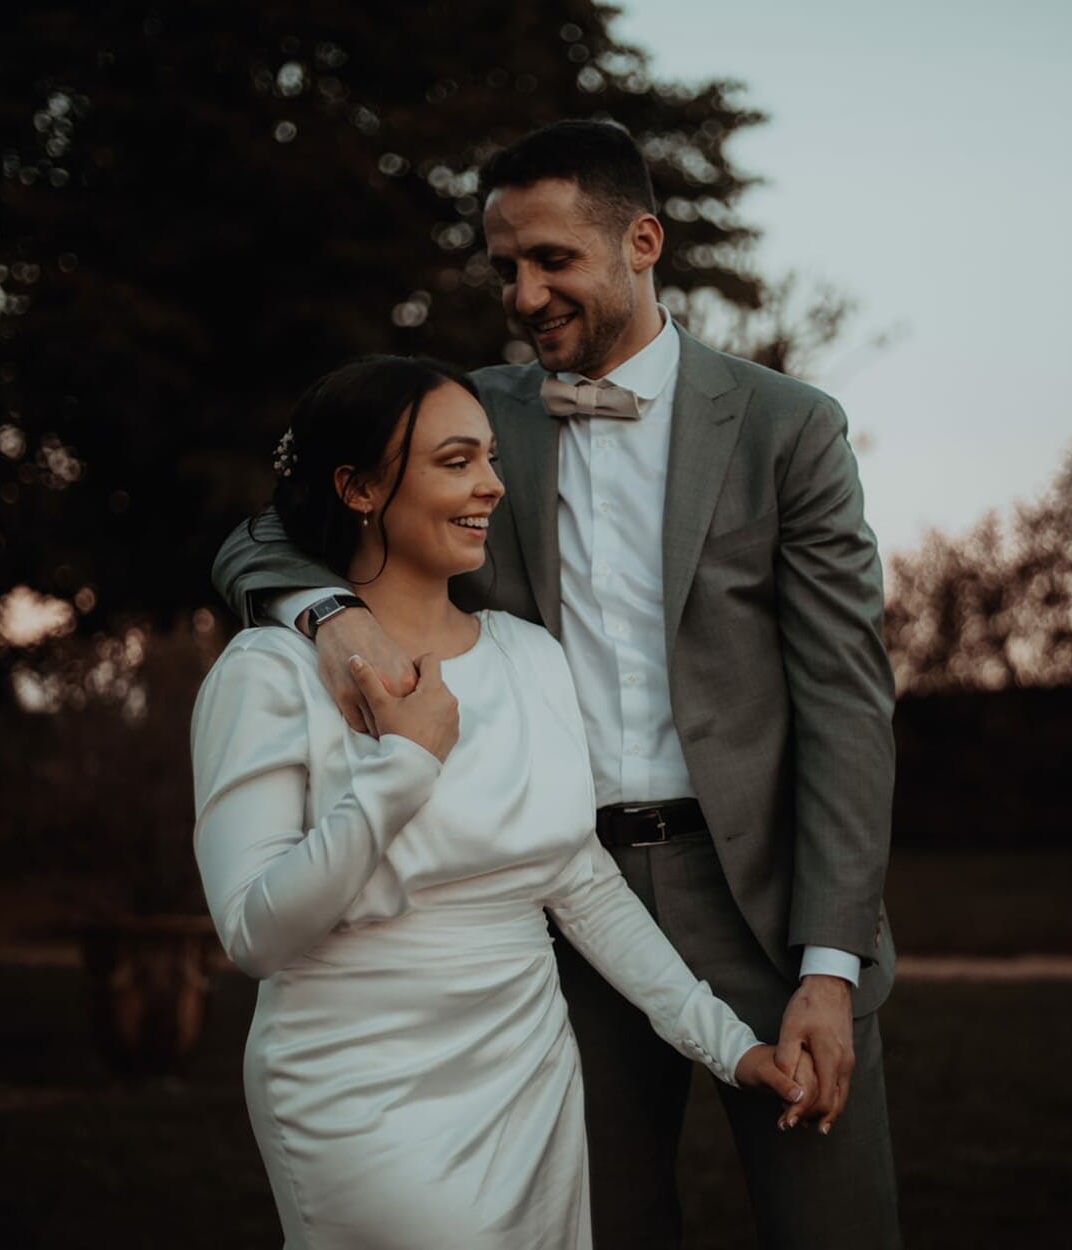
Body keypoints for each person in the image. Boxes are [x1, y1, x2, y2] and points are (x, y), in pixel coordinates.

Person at [214, 121, 900, 1249]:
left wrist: (829, 963)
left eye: (552, 260)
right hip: (559, 909)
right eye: (503, 268)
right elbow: (262, 534)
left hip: (768, 909)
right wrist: (327, 613)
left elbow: (845, 707)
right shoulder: (470, 422)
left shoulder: (788, 429)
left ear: (642, 241)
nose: (524, 294)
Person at [192, 356, 809, 1250]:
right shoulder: (266, 674)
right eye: (454, 462)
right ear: (358, 487)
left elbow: (583, 885)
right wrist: (402, 766)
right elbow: (253, 934)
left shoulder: (529, 656)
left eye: (488, 457)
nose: (492, 485)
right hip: (355, 1089)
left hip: (528, 1086)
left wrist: (730, 1045)